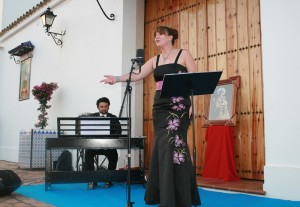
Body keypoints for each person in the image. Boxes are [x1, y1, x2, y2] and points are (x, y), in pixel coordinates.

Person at [101, 26, 201, 206]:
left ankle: (180, 194)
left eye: (160, 34)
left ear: (170, 37)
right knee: (163, 147)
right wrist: (116, 78)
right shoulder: (155, 60)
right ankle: (165, 194)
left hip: (179, 105)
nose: (156, 37)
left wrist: (194, 104)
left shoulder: (183, 54)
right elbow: (137, 75)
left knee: (176, 146)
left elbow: (194, 81)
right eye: (155, 35)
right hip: (160, 108)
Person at [85, 97, 122, 189]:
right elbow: (87, 133)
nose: (103, 108)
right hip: (94, 146)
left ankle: (108, 179)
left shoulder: (113, 118)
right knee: (88, 154)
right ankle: (91, 179)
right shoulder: (91, 117)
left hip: (108, 145)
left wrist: (108, 140)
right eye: (101, 106)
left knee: (114, 155)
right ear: (98, 107)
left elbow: (118, 132)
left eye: (105, 106)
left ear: (108, 107)